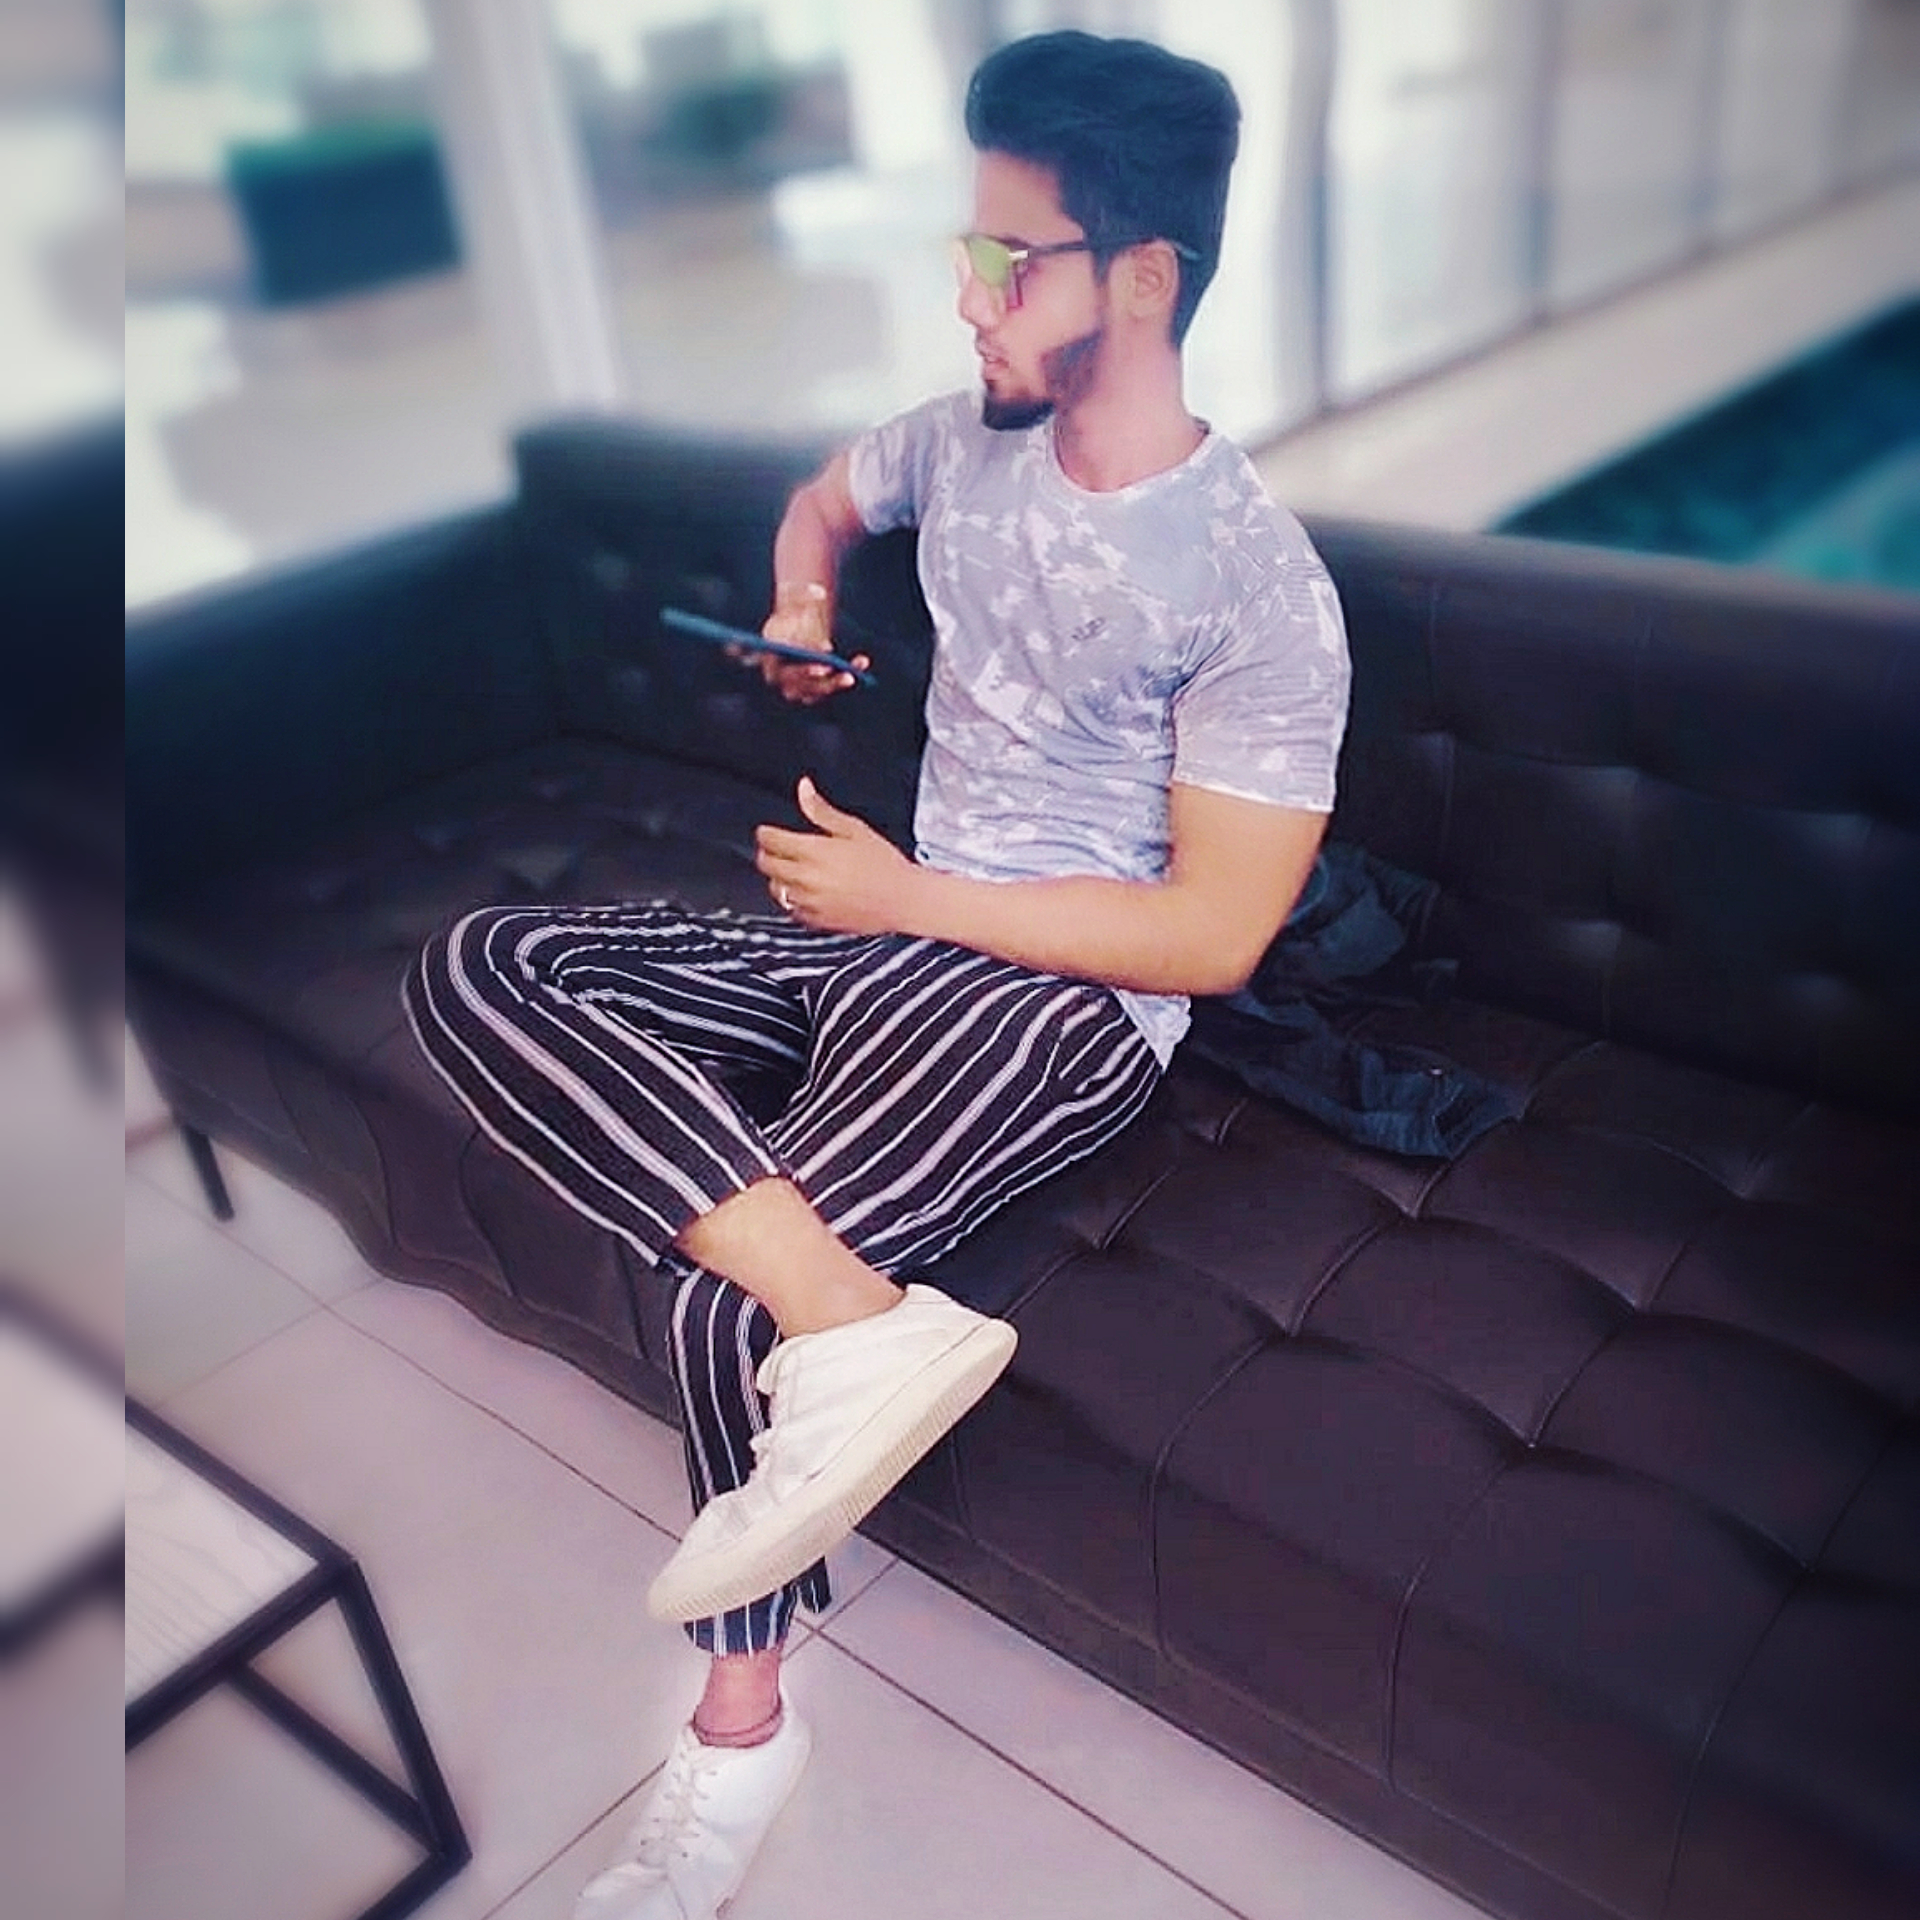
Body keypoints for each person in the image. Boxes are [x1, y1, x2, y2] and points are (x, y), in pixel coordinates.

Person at [404, 29, 1349, 1920]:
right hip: (881, 926)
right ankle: (857, 1316)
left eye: (1008, 260)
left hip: (1057, 998)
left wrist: (913, 894)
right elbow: (826, 504)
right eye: (964, 249)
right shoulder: (963, 439)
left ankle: (740, 1733)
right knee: (482, 962)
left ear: (1141, 279)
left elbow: (1214, 936)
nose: (966, 294)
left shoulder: (1258, 587)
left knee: (715, 1304)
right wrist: (804, 606)